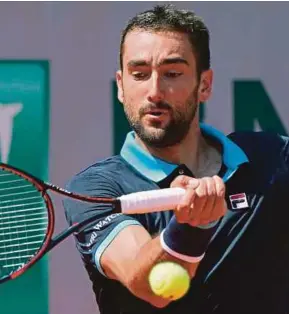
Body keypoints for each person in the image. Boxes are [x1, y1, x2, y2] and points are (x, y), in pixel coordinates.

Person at [63, 4, 289, 314]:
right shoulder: (94, 189)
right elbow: (145, 285)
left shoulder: (273, 158)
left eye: (172, 73)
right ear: (121, 86)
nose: (154, 91)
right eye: (139, 74)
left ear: (204, 84)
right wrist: (190, 228)